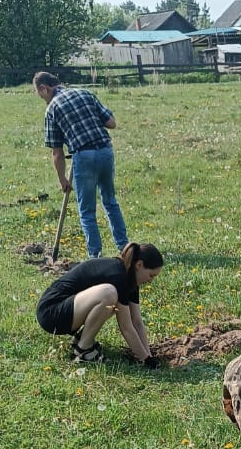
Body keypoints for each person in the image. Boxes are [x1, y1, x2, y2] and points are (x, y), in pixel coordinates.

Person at [33, 71, 127, 260]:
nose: (42, 98)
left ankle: (95, 256)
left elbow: (57, 152)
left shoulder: (52, 108)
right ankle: (125, 248)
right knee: (110, 201)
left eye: (40, 94)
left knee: (86, 210)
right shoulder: (85, 93)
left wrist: (62, 180)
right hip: (106, 151)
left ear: (44, 88)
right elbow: (111, 123)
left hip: (84, 157)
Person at [36, 242, 163, 364]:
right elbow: (126, 328)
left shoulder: (129, 278)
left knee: (113, 301)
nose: (150, 281)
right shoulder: (118, 276)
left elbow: (136, 321)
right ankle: (83, 349)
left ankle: (82, 339)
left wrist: (148, 356)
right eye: (151, 275)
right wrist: (146, 361)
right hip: (51, 312)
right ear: (139, 265)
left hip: (66, 310)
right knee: (109, 293)